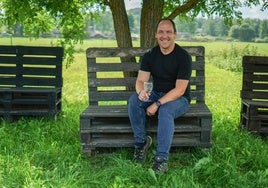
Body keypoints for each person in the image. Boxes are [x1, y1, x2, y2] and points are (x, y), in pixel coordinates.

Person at [128, 18, 192, 173]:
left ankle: (161, 159)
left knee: (165, 110)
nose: (165, 35)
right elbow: (141, 80)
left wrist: (157, 104)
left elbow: (180, 90)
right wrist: (141, 92)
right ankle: (141, 143)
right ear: (156, 35)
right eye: (161, 32)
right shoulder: (150, 55)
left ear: (175, 35)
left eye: (169, 32)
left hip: (179, 99)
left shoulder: (183, 57)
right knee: (134, 101)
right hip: (156, 93)